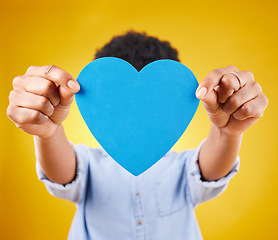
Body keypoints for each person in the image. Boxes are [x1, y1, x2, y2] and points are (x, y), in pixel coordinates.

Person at [7, 31, 268, 240]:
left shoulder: (181, 167)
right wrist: (47, 132)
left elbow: (210, 169)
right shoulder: (88, 164)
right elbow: (62, 173)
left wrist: (227, 132)